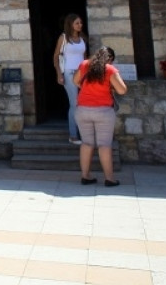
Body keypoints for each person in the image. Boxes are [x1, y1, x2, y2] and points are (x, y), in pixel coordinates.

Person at [74, 47, 127, 186]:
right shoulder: (109, 69)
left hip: (83, 109)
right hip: (103, 111)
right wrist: (110, 86)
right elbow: (122, 90)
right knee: (104, 144)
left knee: (86, 143)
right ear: (110, 59)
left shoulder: (85, 64)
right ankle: (109, 178)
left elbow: (75, 81)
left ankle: (85, 176)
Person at [53, 13, 87, 144]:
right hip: (69, 72)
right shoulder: (63, 38)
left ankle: (83, 132)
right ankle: (73, 135)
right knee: (75, 103)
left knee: (83, 103)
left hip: (81, 73)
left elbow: (84, 57)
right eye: (77, 23)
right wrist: (59, 74)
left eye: (81, 23)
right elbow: (56, 56)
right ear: (70, 24)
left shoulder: (82, 38)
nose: (80, 25)